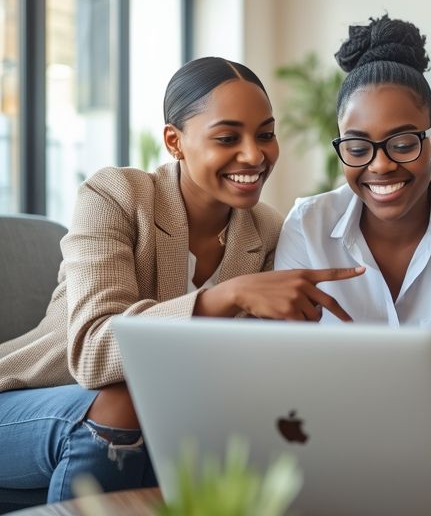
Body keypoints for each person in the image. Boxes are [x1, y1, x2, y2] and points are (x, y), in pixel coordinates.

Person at [0, 57, 363, 503]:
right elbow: (93, 353)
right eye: (228, 138)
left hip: (166, 418)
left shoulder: (267, 230)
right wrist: (227, 297)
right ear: (174, 141)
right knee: (124, 400)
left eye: (265, 134)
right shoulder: (114, 195)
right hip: (29, 404)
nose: (255, 155)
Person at [275, 15, 431, 380]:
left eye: (403, 144)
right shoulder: (307, 225)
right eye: (358, 148)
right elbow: (289, 365)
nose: (382, 165)